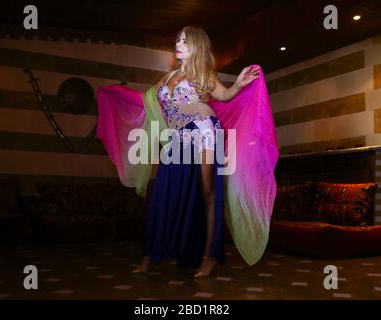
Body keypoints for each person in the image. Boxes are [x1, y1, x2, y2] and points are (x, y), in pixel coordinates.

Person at [96, 26, 278, 279]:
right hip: (176, 139)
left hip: (203, 131)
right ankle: (150, 254)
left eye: (185, 41)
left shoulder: (203, 74)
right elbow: (146, 100)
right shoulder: (168, 76)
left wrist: (237, 83)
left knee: (207, 191)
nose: (178, 44)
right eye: (177, 40)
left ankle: (209, 255)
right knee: (163, 191)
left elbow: (224, 95)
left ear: (197, 46)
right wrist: (115, 92)